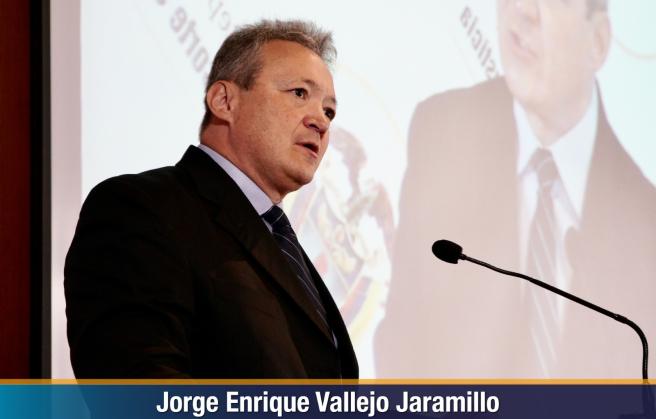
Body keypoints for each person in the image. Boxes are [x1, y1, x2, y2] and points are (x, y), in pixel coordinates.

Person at [376, 0, 656, 378]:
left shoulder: (646, 228)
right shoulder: (443, 131)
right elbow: (401, 340)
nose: (523, 8)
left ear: (598, 42)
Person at [65, 19, 358, 378]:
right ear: (224, 101)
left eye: (329, 111)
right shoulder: (141, 209)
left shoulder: (281, 242)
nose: (321, 122)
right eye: (299, 93)